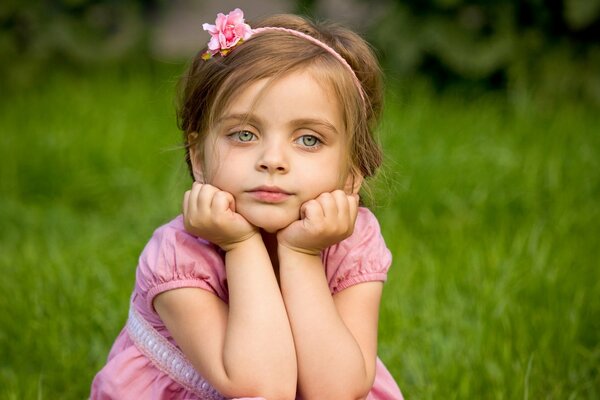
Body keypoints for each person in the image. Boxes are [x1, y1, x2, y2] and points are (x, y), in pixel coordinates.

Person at [91, 8, 402, 400]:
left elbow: (337, 391)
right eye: (243, 134)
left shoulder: (352, 244)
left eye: (308, 139)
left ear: (352, 173)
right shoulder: (179, 256)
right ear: (199, 157)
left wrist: (302, 254)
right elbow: (261, 388)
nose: (272, 160)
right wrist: (240, 245)